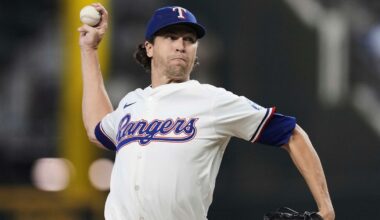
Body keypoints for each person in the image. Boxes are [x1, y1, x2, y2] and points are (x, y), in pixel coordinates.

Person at [78, 3, 335, 220]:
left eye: (189, 40)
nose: (181, 45)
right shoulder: (131, 103)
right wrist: (89, 50)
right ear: (149, 48)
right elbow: (96, 128)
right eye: (171, 37)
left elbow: (292, 134)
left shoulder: (212, 100)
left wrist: (326, 209)